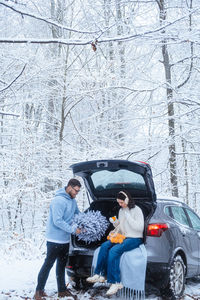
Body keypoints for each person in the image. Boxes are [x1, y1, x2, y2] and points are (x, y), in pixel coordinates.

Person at [86, 190, 144, 296]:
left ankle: (115, 282)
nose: (120, 204)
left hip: (135, 238)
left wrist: (129, 218)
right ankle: (99, 274)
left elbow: (139, 228)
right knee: (104, 246)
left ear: (127, 199)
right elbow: (121, 227)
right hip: (123, 237)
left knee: (114, 251)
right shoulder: (121, 211)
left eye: (121, 202)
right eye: (118, 202)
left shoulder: (137, 210)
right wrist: (115, 222)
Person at [34, 178, 82, 300]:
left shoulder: (72, 201)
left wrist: (85, 223)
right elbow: (57, 221)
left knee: (61, 266)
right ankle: (39, 291)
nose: (76, 193)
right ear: (70, 187)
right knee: (48, 265)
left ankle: (62, 290)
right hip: (54, 239)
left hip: (65, 240)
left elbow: (77, 214)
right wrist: (72, 230)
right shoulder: (58, 201)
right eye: (76, 191)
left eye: (78, 191)